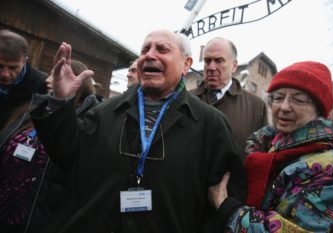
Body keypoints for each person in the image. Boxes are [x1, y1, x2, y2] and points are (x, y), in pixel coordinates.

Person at [29, 29, 246, 233]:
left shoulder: (211, 124)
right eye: (145, 50)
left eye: (162, 49)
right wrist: (59, 102)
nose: (150, 55)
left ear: (186, 64)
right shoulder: (103, 111)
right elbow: (66, 158)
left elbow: (223, 202)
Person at [208, 61, 333, 232]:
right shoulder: (262, 146)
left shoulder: (332, 169)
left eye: (298, 100)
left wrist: (228, 208)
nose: (284, 107)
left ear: (319, 110)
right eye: (278, 97)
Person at [0, 59, 101, 233]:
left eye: (55, 75)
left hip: (37, 221)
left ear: (75, 81)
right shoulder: (32, 107)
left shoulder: (86, 123)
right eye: (51, 73)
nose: (47, 79)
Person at [190, 37, 268, 158]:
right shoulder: (186, 99)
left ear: (234, 66)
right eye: (207, 61)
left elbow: (261, 155)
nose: (211, 67)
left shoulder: (256, 107)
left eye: (219, 60)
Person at [0, 29, 48, 130]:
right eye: (0, 66)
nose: (5, 74)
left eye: (13, 68)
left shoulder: (42, 86)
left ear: (24, 61)